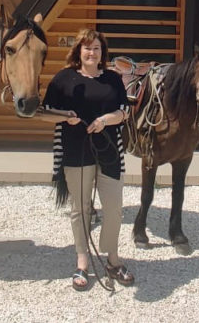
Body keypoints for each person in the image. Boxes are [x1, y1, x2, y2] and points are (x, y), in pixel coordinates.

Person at [40, 28, 135, 291]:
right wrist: (65, 116)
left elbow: (124, 112)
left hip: (109, 153)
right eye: (87, 47)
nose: (91, 52)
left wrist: (105, 120)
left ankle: (113, 259)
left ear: (102, 52)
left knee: (114, 208)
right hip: (75, 152)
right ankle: (82, 261)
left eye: (96, 48)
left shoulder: (113, 79)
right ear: (78, 51)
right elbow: (44, 112)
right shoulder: (63, 79)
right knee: (80, 209)